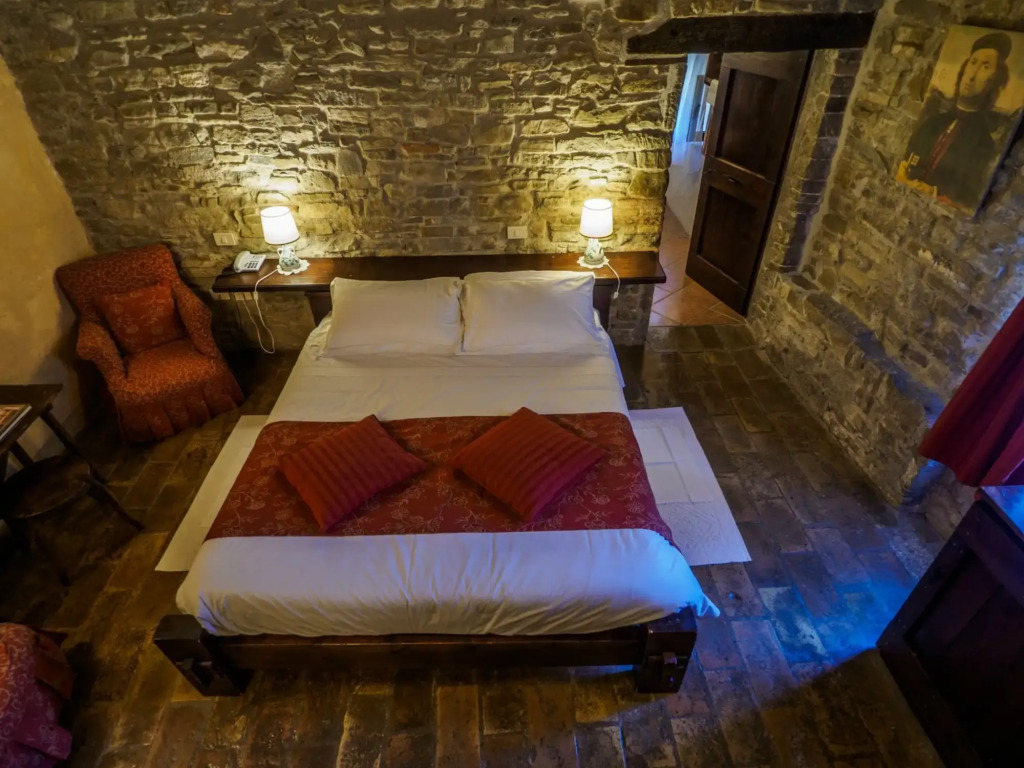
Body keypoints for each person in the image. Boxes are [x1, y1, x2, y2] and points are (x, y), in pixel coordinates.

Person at [896, 31, 1013, 212]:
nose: (972, 75)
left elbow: (968, 198)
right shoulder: (932, 124)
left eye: (985, 67)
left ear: (995, 81)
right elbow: (909, 157)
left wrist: (935, 193)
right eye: (973, 63)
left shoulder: (984, 144)